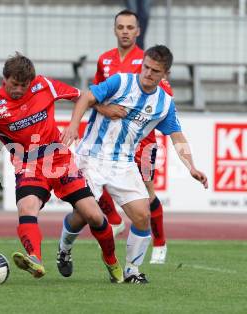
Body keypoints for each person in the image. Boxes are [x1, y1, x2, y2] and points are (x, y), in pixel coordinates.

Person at [0, 52, 123, 283]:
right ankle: (36, 259)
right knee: (27, 208)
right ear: (5, 79)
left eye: (24, 85)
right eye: (14, 84)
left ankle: (111, 261)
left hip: (59, 159)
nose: (19, 90)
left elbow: (82, 96)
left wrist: (92, 115)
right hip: (28, 164)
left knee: (93, 215)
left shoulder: (44, 85)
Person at [59, 45, 208, 283]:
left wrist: (191, 167)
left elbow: (177, 136)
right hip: (91, 157)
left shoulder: (164, 103)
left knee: (141, 215)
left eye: (155, 70)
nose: (148, 73)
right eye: (146, 67)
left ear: (165, 74)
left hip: (123, 163)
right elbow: (87, 97)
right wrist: (74, 125)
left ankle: (132, 270)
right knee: (83, 215)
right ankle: (64, 250)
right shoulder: (121, 82)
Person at [93, 9, 173, 264]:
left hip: (143, 142)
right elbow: (94, 95)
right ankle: (115, 221)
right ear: (115, 30)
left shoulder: (148, 61)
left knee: (147, 194)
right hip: (110, 139)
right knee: (94, 179)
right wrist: (103, 108)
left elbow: (164, 98)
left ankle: (159, 243)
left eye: (130, 27)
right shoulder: (105, 60)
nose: (125, 32)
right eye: (121, 27)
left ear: (138, 31)